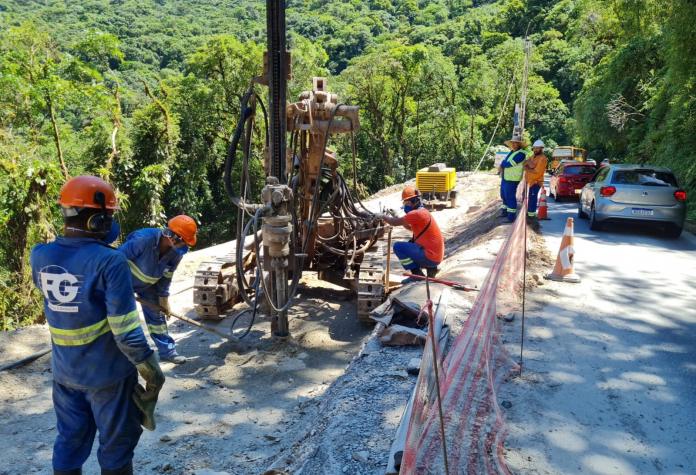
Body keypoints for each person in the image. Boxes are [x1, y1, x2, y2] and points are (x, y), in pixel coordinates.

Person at [30, 175, 165, 475]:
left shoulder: (39, 256)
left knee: (69, 442)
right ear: (99, 221)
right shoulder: (110, 261)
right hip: (109, 377)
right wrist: (150, 367)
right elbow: (126, 331)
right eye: (110, 217)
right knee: (116, 448)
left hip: (65, 375)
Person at [118, 215, 197, 365]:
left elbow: (167, 275)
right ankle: (125, 358)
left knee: (157, 318)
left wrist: (163, 298)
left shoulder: (175, 253)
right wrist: (116, 286)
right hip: (123, 284)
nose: (185, 246)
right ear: (173, 238)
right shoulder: (142, 241)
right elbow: (114, 260)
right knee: (124, 320)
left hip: (149, 287)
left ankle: (168, 352)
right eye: (184, 243)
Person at [375, 186, 444, 284]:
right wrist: (396, 216)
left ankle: (417, 275)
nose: (406, 205)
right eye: (404, 203)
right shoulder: (423, 212)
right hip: (435, 257)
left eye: (407, 203)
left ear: (415, 201)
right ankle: (431, 269)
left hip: (430, 256)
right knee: (411, 243)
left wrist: (382, 216)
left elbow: (395, 223)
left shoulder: (417, 214)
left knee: (398, 247)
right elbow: (411, 228)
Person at [499, 133, 527, 222]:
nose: (513, 144)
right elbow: (505, 162)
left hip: (512, 179)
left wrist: (502, 165)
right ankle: (505, 211)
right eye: (512, 142)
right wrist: (503, 165)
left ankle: (511, 217)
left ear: (519, 144)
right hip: (506, 177)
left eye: (515, 142)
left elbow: (510, 163)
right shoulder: (511, 152)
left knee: (510, 196)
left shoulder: (521, 154)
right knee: (503, 195)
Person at [524, 140, 548, 219]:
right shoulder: (533, 156)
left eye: (537, 148)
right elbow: (525, 163)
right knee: (530, 198)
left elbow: (536, 171)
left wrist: (528, 168)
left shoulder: (542, 159)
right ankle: (529, 213)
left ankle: (531, 217)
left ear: (542, 149)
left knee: (532, 199)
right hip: (530, 181)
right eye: (534, 148)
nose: (535, 149)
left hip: (536, 182)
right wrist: (529, 164)